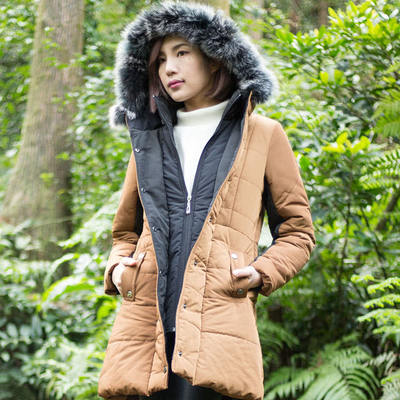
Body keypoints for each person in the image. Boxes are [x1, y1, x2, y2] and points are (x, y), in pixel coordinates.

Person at [98, 2, 316, 400]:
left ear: (214, 59)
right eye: (160, 60)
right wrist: (117, 270)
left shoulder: (264, 135)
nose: (169, 68)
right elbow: (125, 232)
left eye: (182, 53)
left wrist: (260, 273)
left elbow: (298, 232)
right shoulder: (147, 138)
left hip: (217, 329)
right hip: (146, 330)